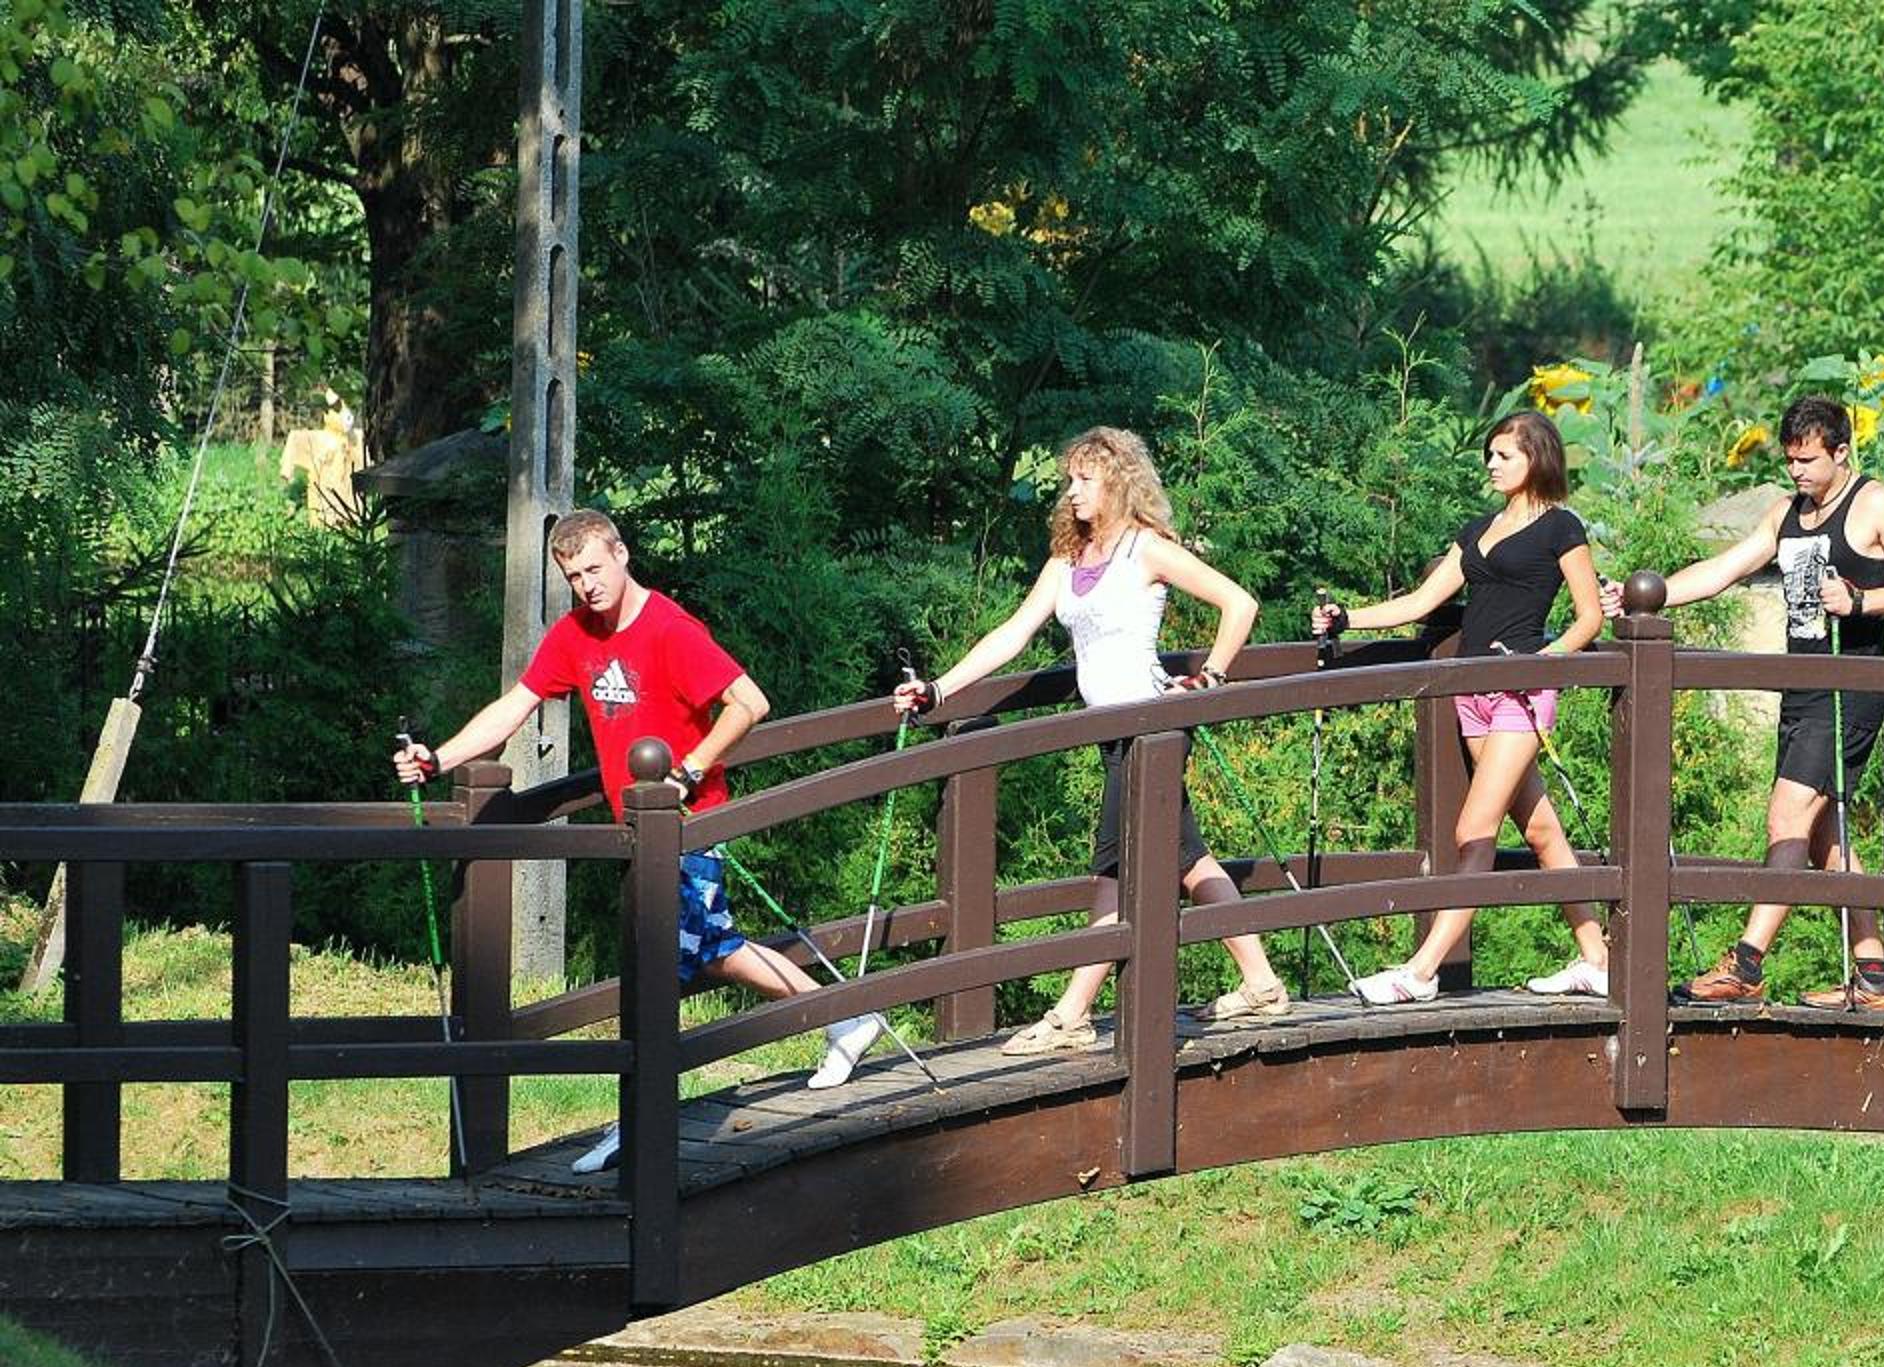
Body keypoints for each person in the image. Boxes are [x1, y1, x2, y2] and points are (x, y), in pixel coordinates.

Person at [395, 508, 885, 1172]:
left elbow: (750, 702)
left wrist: (689, 769)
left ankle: (639, 1116)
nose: (588, 586)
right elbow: (516, 705)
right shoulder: (575, 635)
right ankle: (845, 1016)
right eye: (574, 577)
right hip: (637, 831)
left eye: (595, 569)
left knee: (658, 964)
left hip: (688, 823)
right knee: (709, 949)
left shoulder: (670, 630)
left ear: (622, 554)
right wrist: (438, 759)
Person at [898, 426, 1289, 1054]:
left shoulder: (1146, 548)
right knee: (1186, 860)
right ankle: (1262, 983)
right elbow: (1012, 635)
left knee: (1113, 868)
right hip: (1111, 735)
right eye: (1070, 480)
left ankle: (1071, 1014)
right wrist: (939, 690)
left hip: (1150, 729)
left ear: (1118, 481)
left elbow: (1239, 603)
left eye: (1085, 479)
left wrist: (1208, 679)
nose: (1073, 492)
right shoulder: (1067, 559)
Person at [1603, 394, 1884, 1010]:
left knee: (1785, 818)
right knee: (1824, 840)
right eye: (1790, 460)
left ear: (1841, 452)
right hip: (1801, 690)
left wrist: (1863, 602)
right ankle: (1874, 977)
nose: (1797, 471)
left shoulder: (1873, 504)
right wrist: (1643, 598)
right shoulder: (1787, 513)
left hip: (1849, 691)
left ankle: (1747, 964)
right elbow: (1724, 568)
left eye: (1808, 460)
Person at [1310, 410, 1610, 1003]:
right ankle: (1598, 958)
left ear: (1536, 459)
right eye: (1490, 455)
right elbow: (1422, 601)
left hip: (1520, 693)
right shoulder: (1477, 528)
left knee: (1473, 829)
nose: (1492, 464)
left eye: (1504, 455)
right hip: (1470, 691)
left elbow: (1589, 617)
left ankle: (1420, 973)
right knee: (1540, 828)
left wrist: (1541, 662)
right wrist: (1347, 618)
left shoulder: (1562, 528)